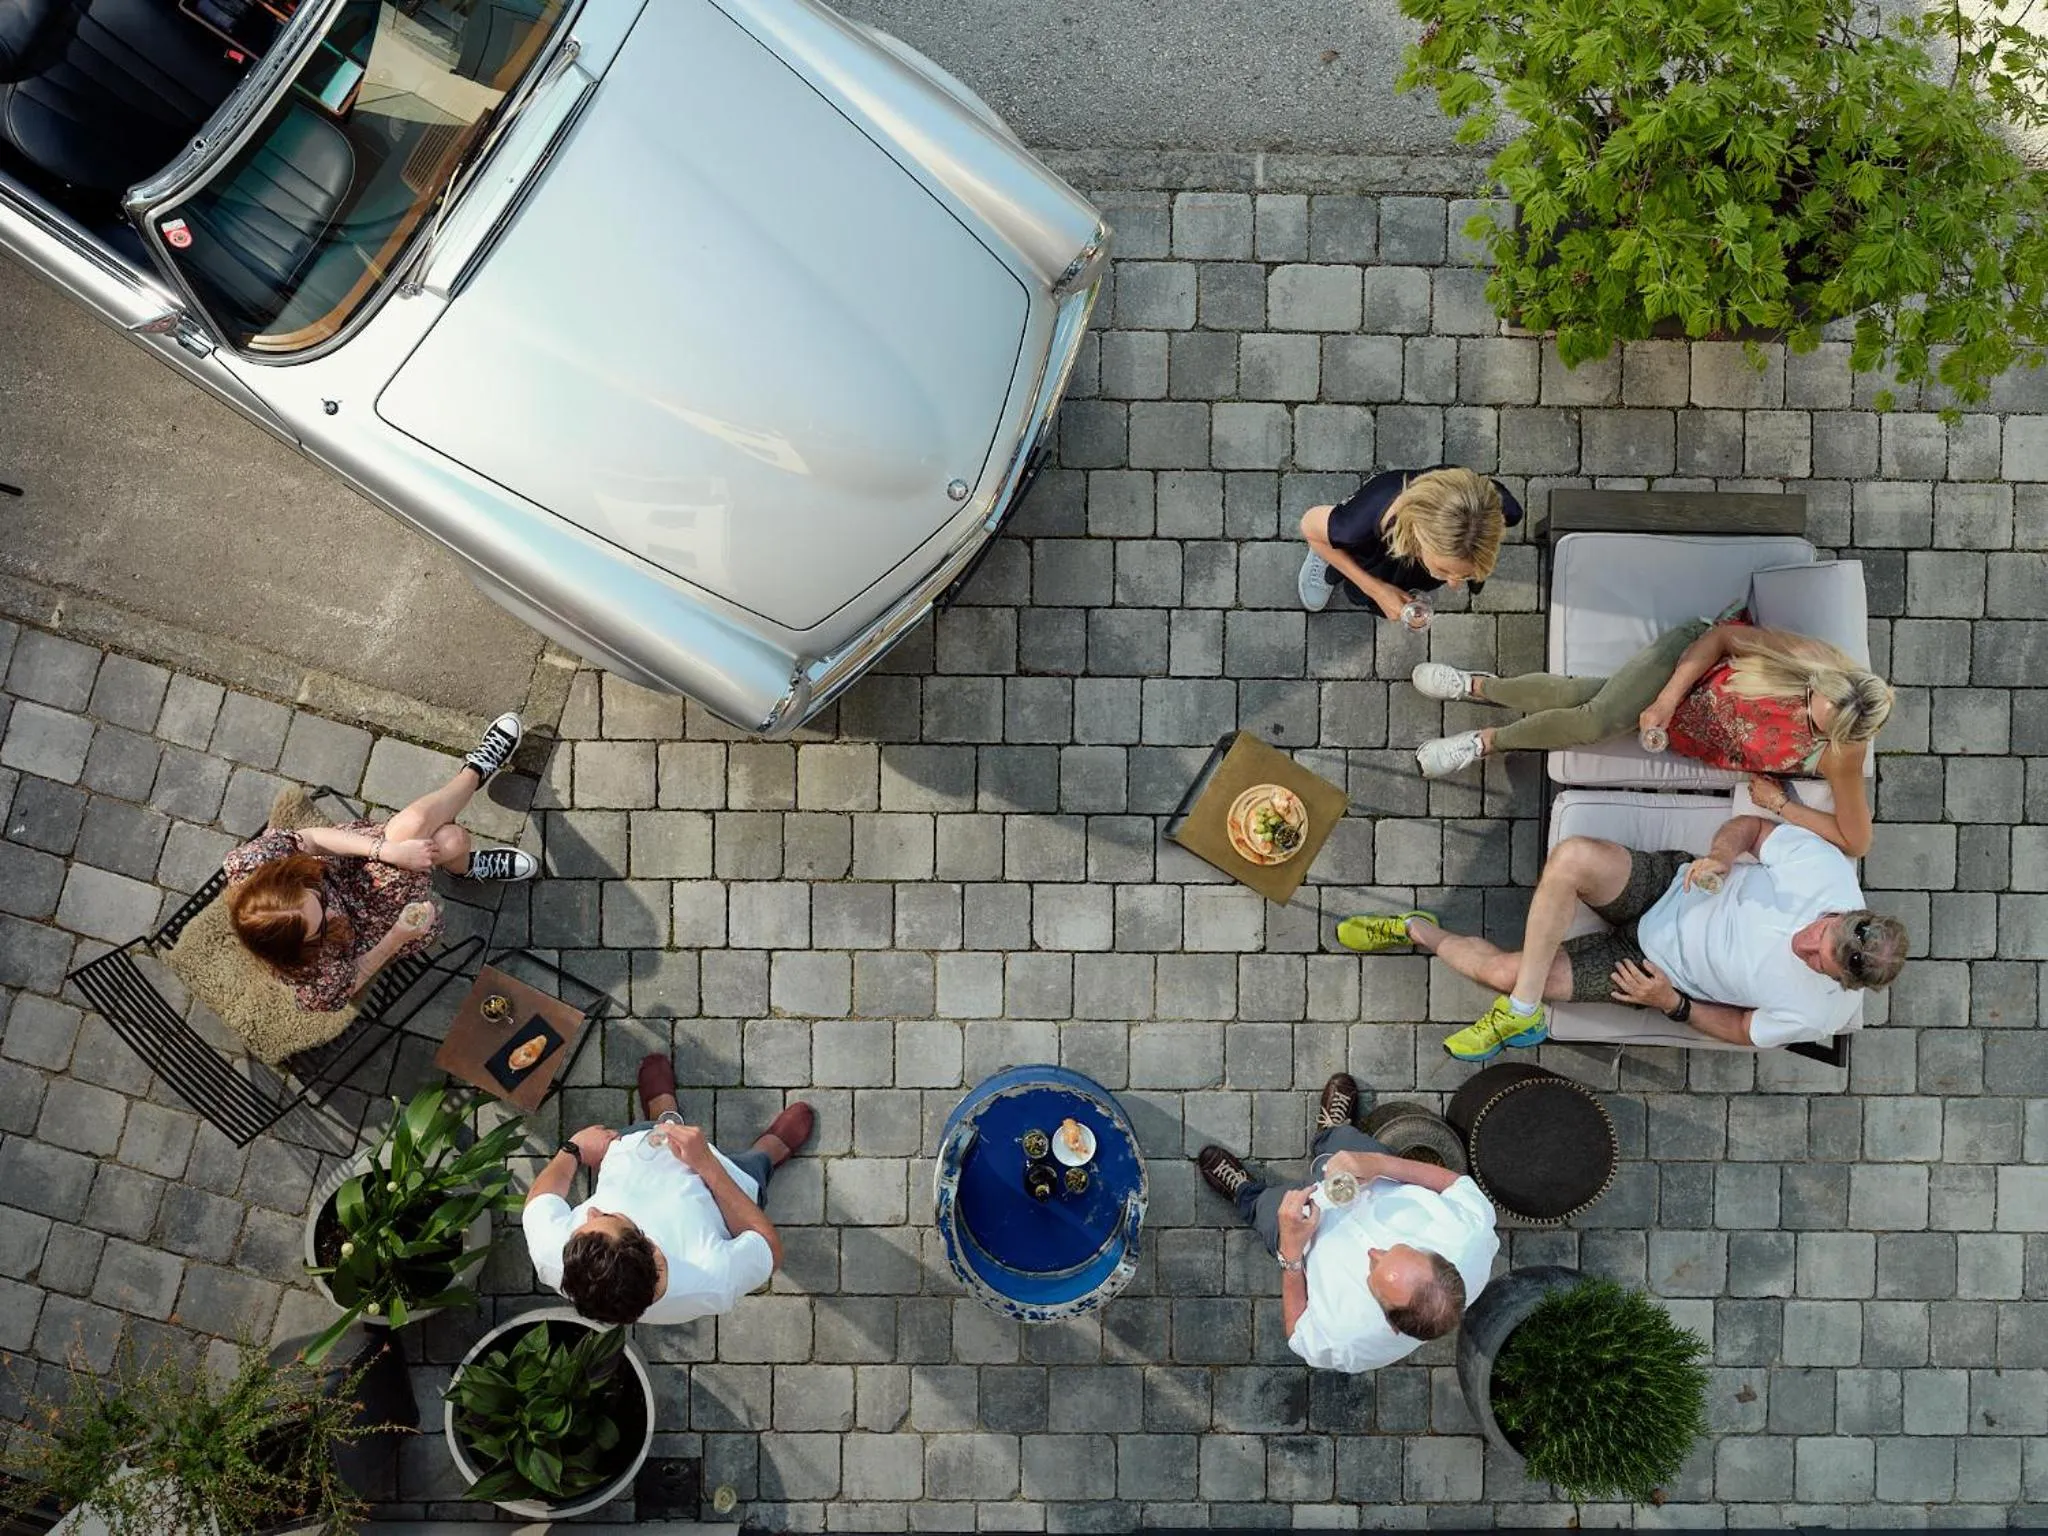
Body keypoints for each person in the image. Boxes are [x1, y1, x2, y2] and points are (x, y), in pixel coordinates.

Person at [1340, 817, 1909, 1062]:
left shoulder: (1820, 1013)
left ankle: (1414, 929)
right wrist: (1721, 854)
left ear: (1840, 981)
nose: (1804, 946)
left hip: (1645, 972)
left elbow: (1742, 1029)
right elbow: (1754, 830)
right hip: (1668, 886)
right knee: (1572, 858)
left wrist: (1672, 1004)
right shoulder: (1827, 873)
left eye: (1817, 962)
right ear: (1842, 912)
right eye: (1818, 933)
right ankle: (1523, 1012)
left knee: (1501, 974)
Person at [1409, 619, 1892, 856]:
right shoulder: (1812, 661)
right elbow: (1721, 637)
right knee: (1595, 721)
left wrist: (1783, 806)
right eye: (1810, 697)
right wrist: (1664, 701)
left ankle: (1478, 686)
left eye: (1813, 721)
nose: (1802, 708)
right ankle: (1487, 741)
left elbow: (1857, 841)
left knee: (1583, 697)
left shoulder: (1842, 753)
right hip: (1686, 667)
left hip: (1683, 732)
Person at [224, 712, 535, 1011]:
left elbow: (312, 840)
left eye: (317, 896)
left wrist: (384, 851)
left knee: (417, 827)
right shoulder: (308, 973)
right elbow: (351, 981)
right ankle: (463, 863)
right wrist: (398, 935)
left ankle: (476, 769)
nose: (330, 910)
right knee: (452, 841)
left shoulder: (250, 864)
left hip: (349, 867)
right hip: (372, 924)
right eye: (320, 925)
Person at [1197, 1073, 1498, 1374]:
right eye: (1398, 1247)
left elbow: (1297, 1331)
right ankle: (1331, 1132)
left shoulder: (1348, 1342)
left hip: (1300, 1235)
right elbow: (1454, 1184)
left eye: (1373, 1273)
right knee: (1343, 1143)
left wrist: (1291, 1255)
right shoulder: (1470, 1237)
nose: (1373, 1253)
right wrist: (1381, 1164)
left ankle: (1246, 1195)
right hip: (1367, 1174)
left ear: (1389, 1323)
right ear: (1442, 1259)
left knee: (1266, 1210)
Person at [521, 1054, 816, 1325]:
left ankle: (663, 1114)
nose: (592, 1211)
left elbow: (539, 1200)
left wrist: (574, 1149)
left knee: (655, 1127)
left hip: (637, 1150)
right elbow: (768, 1247)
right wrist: (707, 1164)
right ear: (654, 1253)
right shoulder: (710, 1277)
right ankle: (767, 1154)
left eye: (583, 1226)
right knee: (752, 1170)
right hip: (727, 1184)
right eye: (611, 1216)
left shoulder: (557, 1257)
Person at [1297, 465, 1525, 618]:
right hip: (1375, 542)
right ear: (1421, 538)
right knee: (1340, 552)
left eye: (1464, 575)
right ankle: (1327, 555)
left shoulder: (1501, 508)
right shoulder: (1355, 526)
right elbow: (1308, 525)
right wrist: (1376, 589)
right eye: (1443, 571)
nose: (1454, 586)